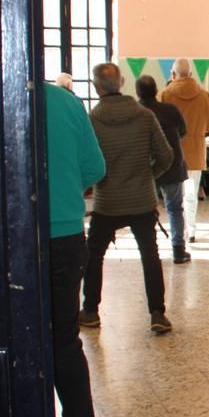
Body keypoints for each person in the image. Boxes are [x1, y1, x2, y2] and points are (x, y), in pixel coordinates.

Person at [80, 63, 175, 333]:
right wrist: (148, 176)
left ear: (96, 86)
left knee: (94, 256)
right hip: (141, 200)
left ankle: (90, 311)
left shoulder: (92, 119)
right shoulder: (144, 116)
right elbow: (166, 155)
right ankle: (157, 313)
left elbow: (88, 162)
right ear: (122, 82)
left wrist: (97, 182)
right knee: (150, 256)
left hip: (107, 201)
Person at [43, 82, 105, 417]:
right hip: (62, 233)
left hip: (4, 235)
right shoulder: (64, 102)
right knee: (63, 338)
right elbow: (95, 167)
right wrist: (63, 190)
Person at [135, 75, 191, 264]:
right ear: (156, 91)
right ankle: (178, 250)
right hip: (172, 166)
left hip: (144, 168)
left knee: (146, 211)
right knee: (175, 209)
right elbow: (183, 131)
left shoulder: (135, 111)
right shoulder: (170, 110)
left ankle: (149, 250)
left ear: (137, 93)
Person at [159, 58, 209, 243]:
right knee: (191, 194)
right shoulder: (204, 95)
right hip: (196, 149)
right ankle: (191, 231)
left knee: (175, 197)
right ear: (191, 74)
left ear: (173, 74)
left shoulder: (166, 94)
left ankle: (179, 231)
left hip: (173, 152)